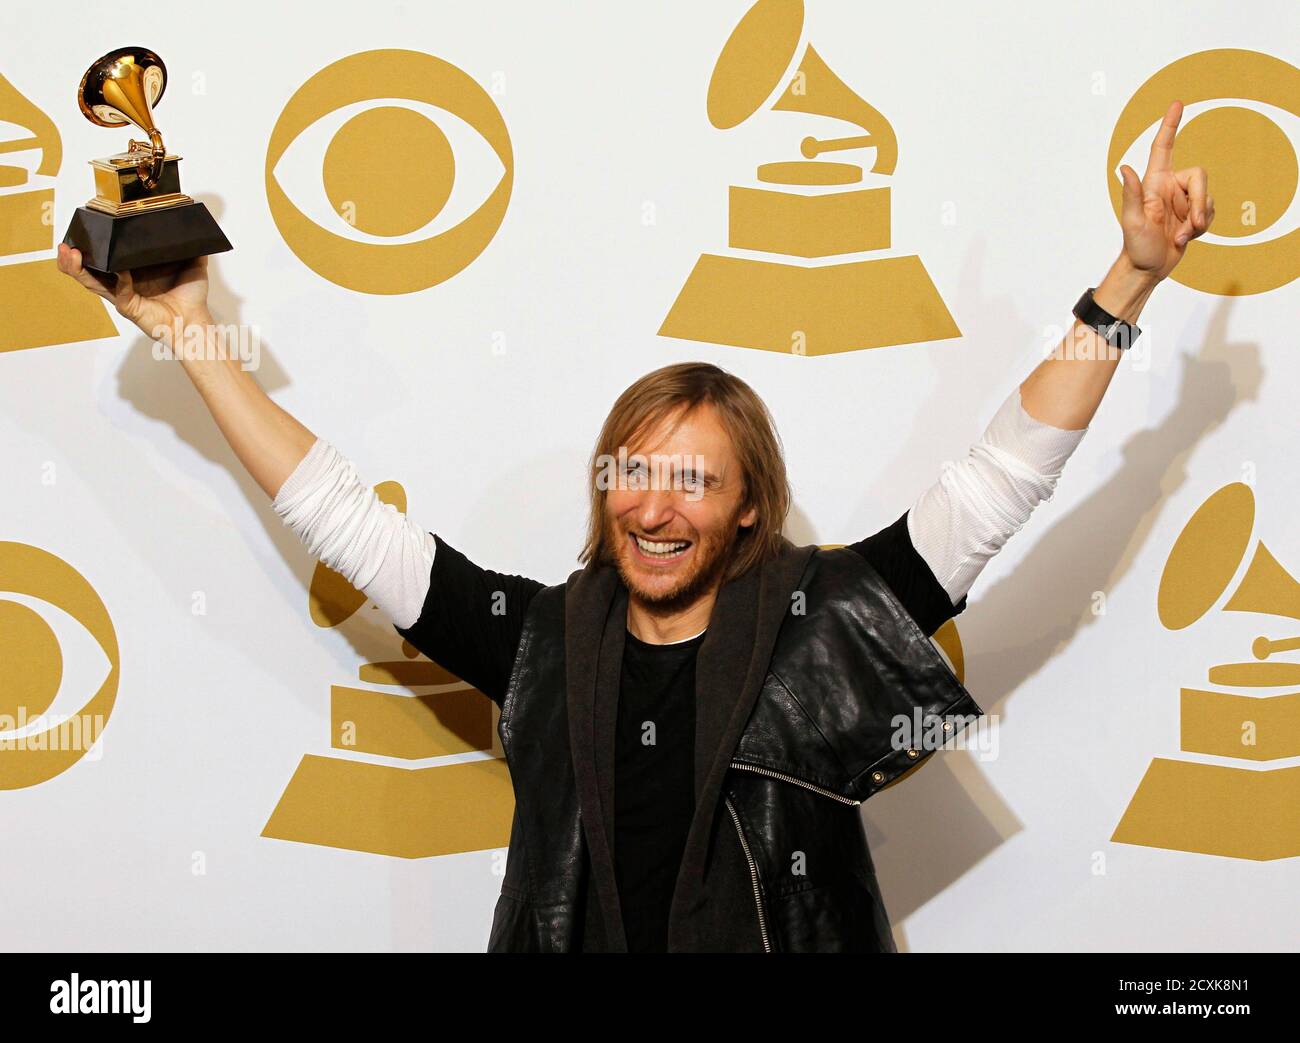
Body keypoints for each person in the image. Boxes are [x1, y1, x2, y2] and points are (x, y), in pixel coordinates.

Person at [56, 100, 1212, 951]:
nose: (654, 505)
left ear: (749, 503)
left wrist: (1130, 278)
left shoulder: (825, 622)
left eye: (693, 481)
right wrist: (191, 333)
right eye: (632, 470)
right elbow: (339, 514)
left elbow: (1005, 472)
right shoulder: (535, 639)